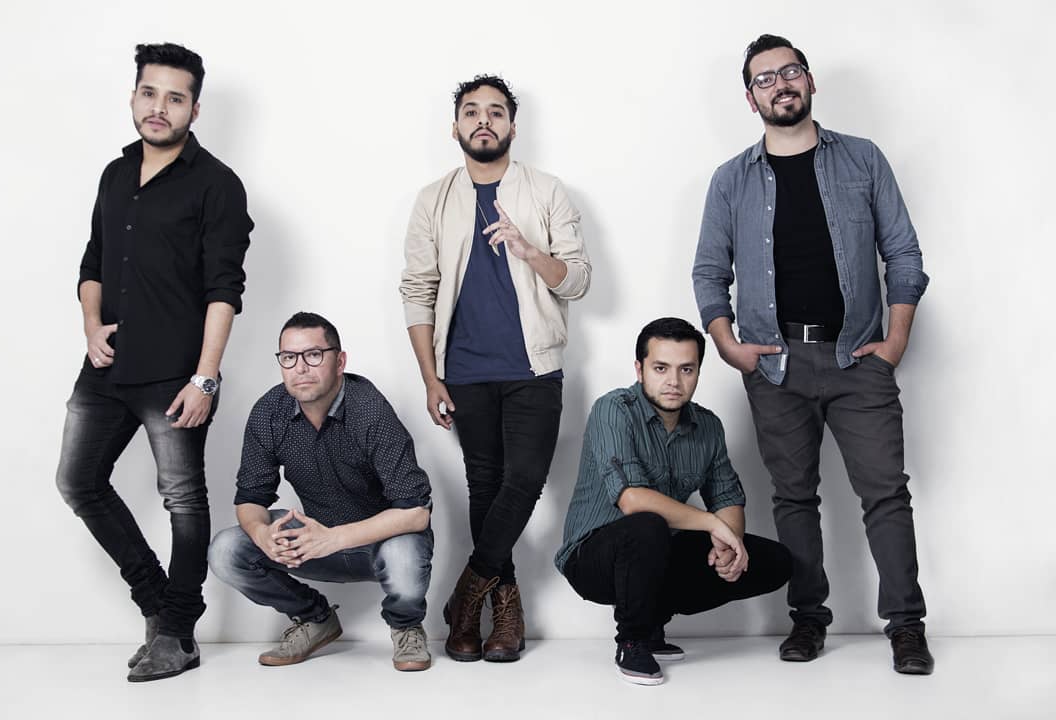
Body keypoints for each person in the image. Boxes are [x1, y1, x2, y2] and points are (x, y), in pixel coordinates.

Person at [692, 34, 934, 674]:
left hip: (859, 359)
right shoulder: (731, 180)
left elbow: (903, 254)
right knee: (793, 497)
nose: (781, 84)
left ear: (810, 80)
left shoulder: (862, 159)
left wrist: (896, 340)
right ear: (751, 99)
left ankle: (906, 626)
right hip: (775, 366)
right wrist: (729, 346)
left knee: (886, 495)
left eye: (790, 71)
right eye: (765, 78)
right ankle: (807, 619)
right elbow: (709, 271)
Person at [55, 42, 252, 682]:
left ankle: (177, 633)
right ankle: (157, 603)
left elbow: (224, 290)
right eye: (149, 93)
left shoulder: (217, 184)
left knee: (184, 502)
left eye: (175, 97)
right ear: (134, 96)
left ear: (195, 108)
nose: (159, 107)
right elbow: (92, 263)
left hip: (176, 375)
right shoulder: (115, 175)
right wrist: (91, 327)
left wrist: (205, 378)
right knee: (78, 482)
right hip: (106, 367)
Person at [400, 74, 591, 662]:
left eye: (496, 111)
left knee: (524, 479)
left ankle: (465, 597)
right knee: (484, 485)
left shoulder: (547, 191)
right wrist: (430, 377)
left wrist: (530, 250)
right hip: (463, 371)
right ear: (455, 126)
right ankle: (503, 612)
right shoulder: (433, 199)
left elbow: (578, 281)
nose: (483, 120)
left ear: (512, 125)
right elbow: (418, 289)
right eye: (471, 111)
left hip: (534, 367)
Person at [556, 317, 791, 685]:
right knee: (647, 524)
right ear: (640, 369)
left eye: (687, 369)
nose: (674, 382)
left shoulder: (707, 426)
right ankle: (632, 642)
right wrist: (711, 523)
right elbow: (632, 500)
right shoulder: (614, 410)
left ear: (698, 372)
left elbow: (727, 496)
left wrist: (727, 545)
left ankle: (652, 621)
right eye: (661, 368)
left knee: (774, 561)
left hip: (657, 552)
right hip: (592, 558)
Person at [209, 312, 434, 672]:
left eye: (314, 355)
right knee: (225, 550)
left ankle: (407, 627)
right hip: (315, 541)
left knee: (405, 556)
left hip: (380, 542)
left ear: (339, 361)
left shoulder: (369, 409)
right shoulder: (269, 411)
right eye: (289, 357)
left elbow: (416, 512)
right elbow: (250, 498)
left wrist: (333, 538)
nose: (300, 368)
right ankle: (315, 619)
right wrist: (261, 533)